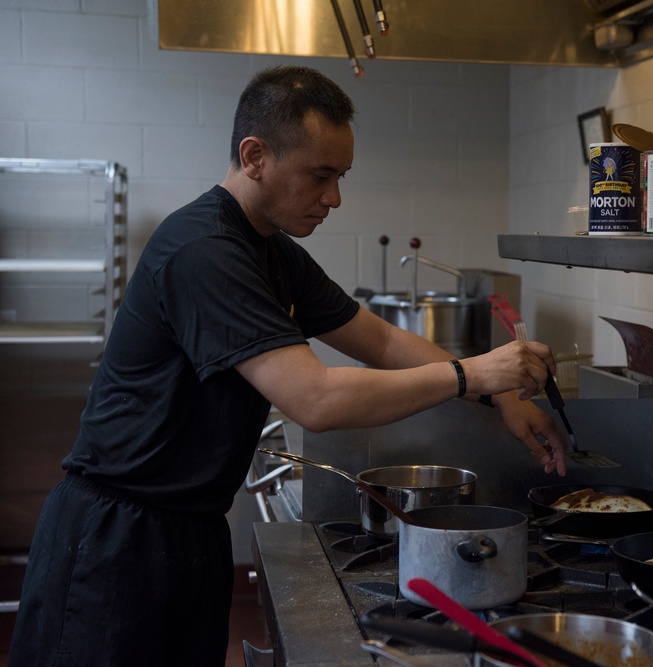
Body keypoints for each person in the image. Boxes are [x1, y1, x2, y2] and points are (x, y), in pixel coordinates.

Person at [9, 65, 567, 667]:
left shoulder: (273, 253)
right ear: (254, 157)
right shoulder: (204, 251)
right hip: (115, 542)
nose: (334, 197)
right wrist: (474, 374)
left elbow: (378, 341)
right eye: (321, 176)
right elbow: (315, 399)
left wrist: (498, 395)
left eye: (341, 176)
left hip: (190, 532)